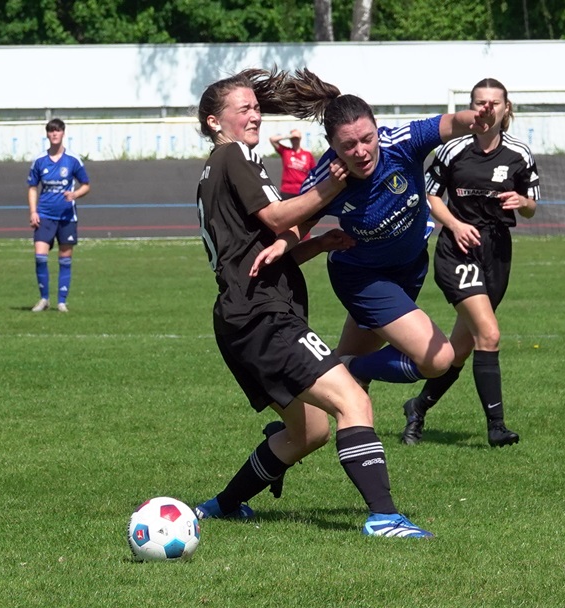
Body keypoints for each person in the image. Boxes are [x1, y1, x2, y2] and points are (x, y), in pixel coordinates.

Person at [194, 67, 435, 538]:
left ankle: (221, 506)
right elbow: (277, 217)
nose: (254, 115)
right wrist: (333, 185)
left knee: (309, 432)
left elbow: (259, 254)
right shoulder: (235, 155)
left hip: (239, 318)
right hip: (265, 316)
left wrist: (318, 244)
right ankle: (384, 517)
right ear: (214, 122)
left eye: (256, 107)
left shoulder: (213, 171)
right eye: (243, 109)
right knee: (353, 400)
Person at [287, 69, 494, 400]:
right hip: (363, 277)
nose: (361, 151)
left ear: (377, 128)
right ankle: (353, 368)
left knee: (345, 388)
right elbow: (293, 228)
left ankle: (293, 421)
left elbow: (452, 122)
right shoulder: (327, 179)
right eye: (348, 145)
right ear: (331, 145)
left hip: (409, 268)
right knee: (438, 359)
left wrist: (476, 119)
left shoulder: (402, 143)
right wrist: (280, 251)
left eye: (367, 139)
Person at [400, 78, 539, 448]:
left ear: (506, 109)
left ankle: (417, 407)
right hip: (458, 248)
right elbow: (430, 196)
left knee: (459, 350)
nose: (487, 108)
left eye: (495, 102)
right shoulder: (453, 149)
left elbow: (531, 206)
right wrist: (455, 224)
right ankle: (497, 427)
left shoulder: (519, 153)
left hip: (497, 251)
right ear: (472, 107)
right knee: (489, 334)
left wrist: (522, 202)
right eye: (480, 102)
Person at [27, 118, 91, 313]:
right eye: (51, 131)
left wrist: (75, 194)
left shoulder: (72, 160)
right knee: (40, 256)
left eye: (58, 130)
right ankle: (44, 299)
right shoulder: (40, 160)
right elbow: (32, 187)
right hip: (45, 215)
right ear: (47, 134)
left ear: (63, 133)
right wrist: (33, 211)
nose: (54, 134)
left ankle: (62, 301)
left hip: (67, 217)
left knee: (65, 258)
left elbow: (86, 185)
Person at [269, 129, 316, 200]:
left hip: (302, 189)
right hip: (287, 190)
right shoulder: (286, 151)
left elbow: (314, 172)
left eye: (296, 138)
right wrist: (289, 136)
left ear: (300, 139)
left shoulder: (307, 155)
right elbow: (272, 140)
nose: (295, 141)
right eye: (293, 139)